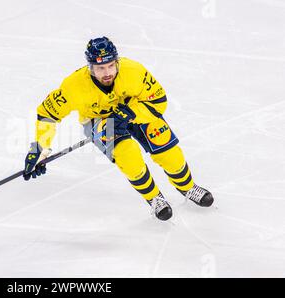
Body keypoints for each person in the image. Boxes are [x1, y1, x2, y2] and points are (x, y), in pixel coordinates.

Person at [23, 36, 214, 221]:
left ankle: (188, 187)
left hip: (138, 110)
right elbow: (47, 114)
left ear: (117, 62)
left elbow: (158, 100)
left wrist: (130, 113)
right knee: (129, 157)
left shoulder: (134, 71)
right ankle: (154, 198)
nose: (107, 72)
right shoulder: (73, 86)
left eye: (111, 65)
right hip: (101, 121)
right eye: (100, 68)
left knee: (170, 154)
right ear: (90, 68)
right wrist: (39, 149)